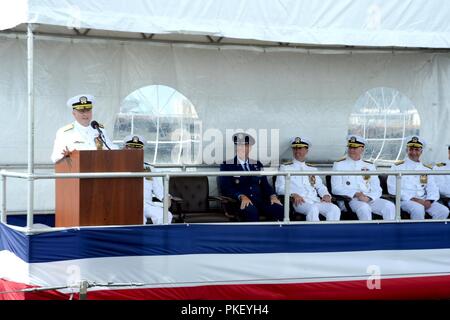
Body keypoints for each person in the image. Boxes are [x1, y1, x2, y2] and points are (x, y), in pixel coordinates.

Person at [219, 132, 284, 222]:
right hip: (239, 202)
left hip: (259, 201)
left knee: (278, 208)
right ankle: (254, 236)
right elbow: (226, 187)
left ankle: (276, 235)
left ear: (249, 148)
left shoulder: (257, 164)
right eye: (239, 145)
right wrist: (240, 195)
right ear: (236, 147)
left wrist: (272, 196)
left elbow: (265, 185)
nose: (242, 148)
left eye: (245, 145)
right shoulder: (227, 165)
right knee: (251, 211)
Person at [331, 135, 395, 220]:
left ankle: (388, 232)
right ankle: (367, 233)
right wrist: (356, 194)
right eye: (350, 147)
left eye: (354, 148)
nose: (351, 150)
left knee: (389, 206)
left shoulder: (370, 166)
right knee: (364, 208)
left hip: (368, 198)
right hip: (350, 200)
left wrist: (369, 198)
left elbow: (377, 189)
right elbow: (335, 188)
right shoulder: (339, 165)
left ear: (362, 148)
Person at [275, 137, 340, 221]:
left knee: (334, 209)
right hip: (299, 202)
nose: (297, 151)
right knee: (313, 209)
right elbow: (279, 188)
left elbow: (320, 186)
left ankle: (330, 232)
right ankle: (315, 233)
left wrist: (325, 195)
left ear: (306, 150)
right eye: (295, 148)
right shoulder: (285, 167)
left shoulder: (312, 169)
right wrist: (292, 194)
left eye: (300, 148)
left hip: (315, 200)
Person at [388, 136, 449, 219]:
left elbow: (433, 188)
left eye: (417, 150)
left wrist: (429, 200)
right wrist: (414, 199)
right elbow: (392, 188)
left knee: (443, 211)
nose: (413, 152)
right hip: (406, 200)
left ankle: (431, 232)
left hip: (424, 199)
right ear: (407, 150)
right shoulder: (396, 167)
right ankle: (416, 232)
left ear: (421, 151)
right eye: (411, 149)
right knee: (418, 209)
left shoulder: (426, 169)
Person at [51, 94, 117, 163]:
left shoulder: (99, 129)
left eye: (88, 110)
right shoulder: (64, 132)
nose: (85, 114)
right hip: (76, 171)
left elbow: (111, 148)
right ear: (74, 113)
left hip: (98, 169)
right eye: (81, 111)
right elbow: (56, 156)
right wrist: (68, 157)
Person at [123, 135, 173, 225]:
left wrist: (166, 197)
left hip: (147, 204)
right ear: (125, 149)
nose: (135, 151)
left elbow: (158, 189)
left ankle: (158, 238)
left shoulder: (148, 168)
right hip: (128, 204)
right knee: (139, 219)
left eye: (138, 149)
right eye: (132, 148)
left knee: (166, 215)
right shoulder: (119, 166)